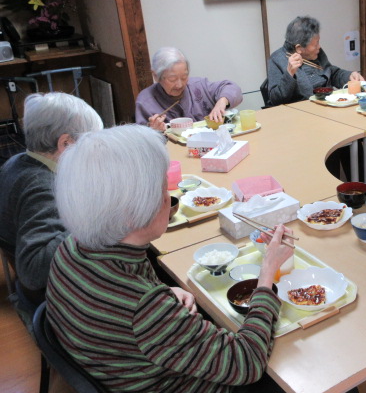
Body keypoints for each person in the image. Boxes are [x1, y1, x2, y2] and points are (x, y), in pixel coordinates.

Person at [46, 124, 294, 392]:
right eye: (162, 189)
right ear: (132, 213)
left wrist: (163, 292)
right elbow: (247, 362)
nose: (169, 198)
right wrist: (266, 275)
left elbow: (127, 308)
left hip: (124, 365)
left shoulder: (71, 248)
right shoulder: (145, 310)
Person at [0, 92, 103, 328]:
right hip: (56, 300)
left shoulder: (18, 162)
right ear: (65, 143)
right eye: (89, 144)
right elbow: (34, 270)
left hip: (35, 285)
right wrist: (92, 218)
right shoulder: (41, 186)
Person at [136, 47, 243, 131]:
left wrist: (222, 102)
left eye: (184, 77)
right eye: (172, 79)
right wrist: (154, 132)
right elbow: (143, 143)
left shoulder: (198, 86)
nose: (179, 84)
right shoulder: (145, 102)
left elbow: (232, 87)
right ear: (155, 76)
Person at [267, 16, 364, 106]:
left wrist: (349, 76)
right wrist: (289, 74)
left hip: (326, 105)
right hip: (301, 113)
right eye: (316, 43)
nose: (319, 47)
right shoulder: (277, 59)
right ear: (299, 48)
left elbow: (331, 72)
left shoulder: (316, 53)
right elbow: (276, 100)